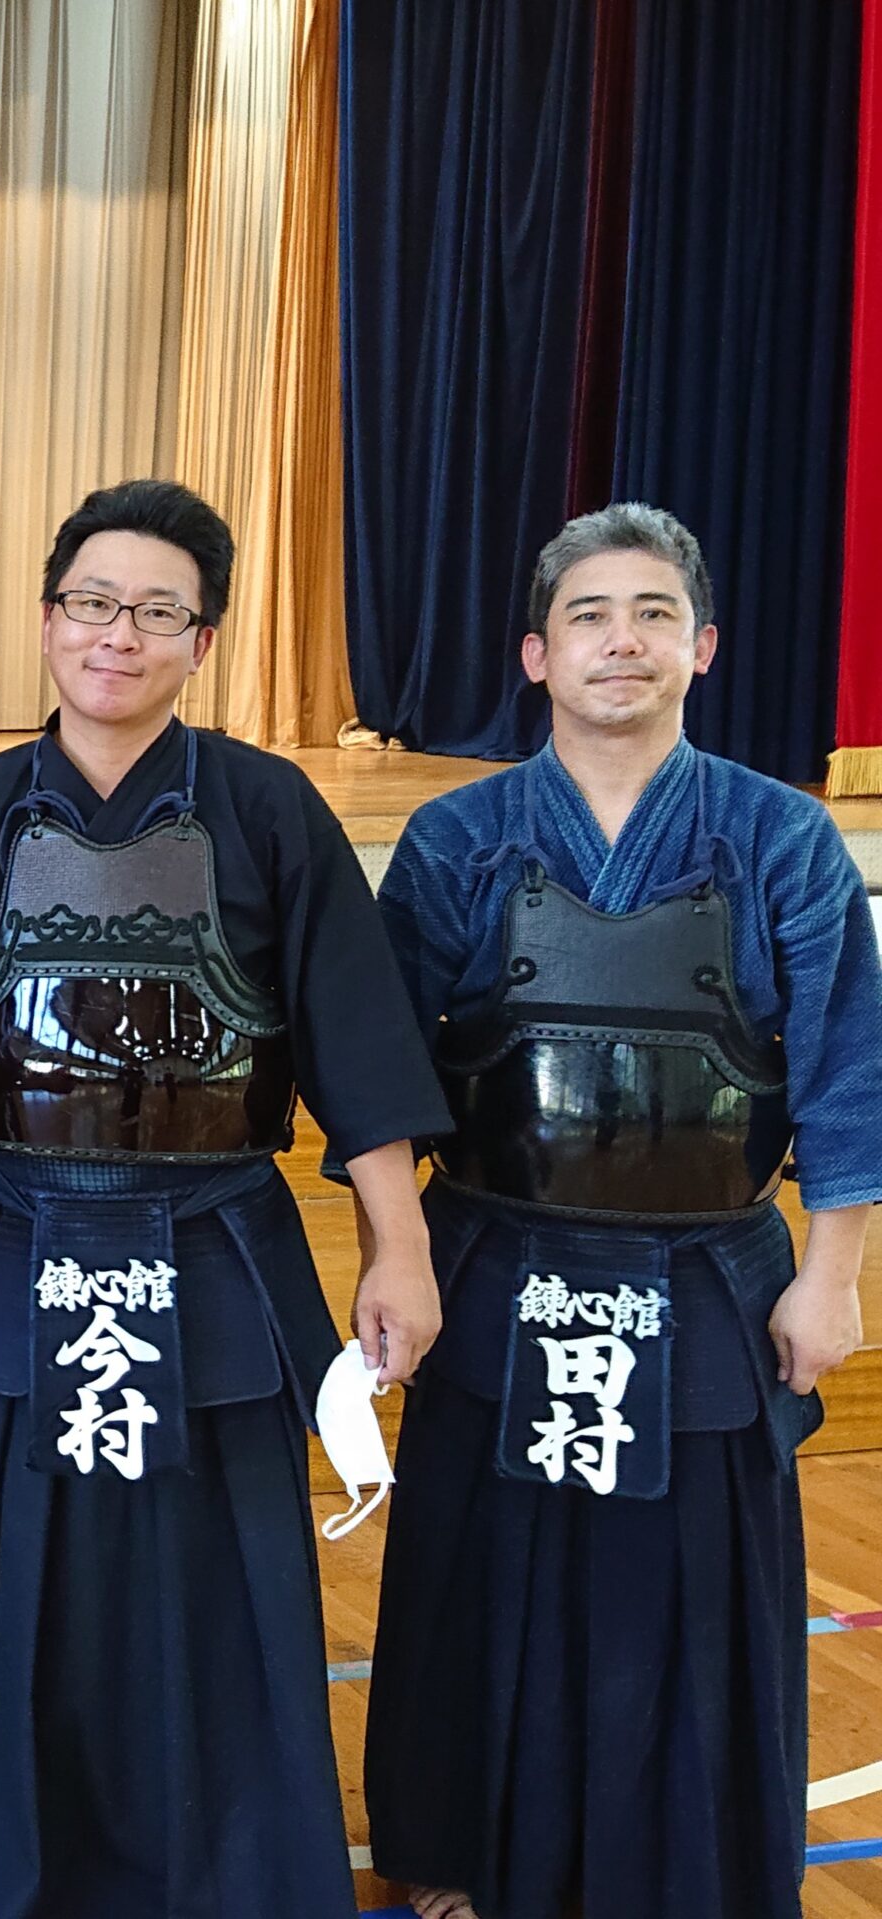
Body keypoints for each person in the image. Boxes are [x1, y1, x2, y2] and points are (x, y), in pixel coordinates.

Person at [0, 479, 451, 1918]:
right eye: (94, 604)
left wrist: (401, 1248)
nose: (119, 634)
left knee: (221, 1575)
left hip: (217, 1241)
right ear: (48, 621)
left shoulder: (269, 808)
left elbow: (358, 1042)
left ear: (203, 642)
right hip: (31, 1234)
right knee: (13, 1565)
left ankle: (233, 1878)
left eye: (156, 612)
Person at [362, 502, 882, 1919]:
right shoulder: (458, 839)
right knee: (487, 1571)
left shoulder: (781, 837)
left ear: (703, 647)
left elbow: (846, 1070)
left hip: (708, 1272)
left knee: (690, 1583)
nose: (623, 642)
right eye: (588, 616)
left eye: (656, 614)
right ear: (536, 654)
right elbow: (382, 1075)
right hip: (499, 1257)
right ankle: (467, 1854)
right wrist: (394, 1254)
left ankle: (685, 1866)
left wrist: (832, 1276)